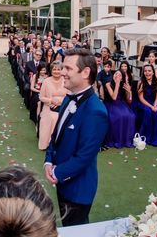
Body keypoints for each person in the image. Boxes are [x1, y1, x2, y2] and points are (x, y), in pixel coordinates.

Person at [44, 48, 109, 226]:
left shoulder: (96, 111)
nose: (62, 72)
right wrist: (48, 160)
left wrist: (57, 172)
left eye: (68, 68)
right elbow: (56, 135)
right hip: (62, 182)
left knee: (75, 234)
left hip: (78, 190)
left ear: (86, 72)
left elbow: (84, 157)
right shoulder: (68, 97)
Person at [103, 70, 136, 148]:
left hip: (121, 103)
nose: (117, 75)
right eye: (116, 74)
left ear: (122, 78)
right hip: (110, 104)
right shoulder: (108, 84)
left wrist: (129, 91)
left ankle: (126, 140)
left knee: (131, 116)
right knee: (119, 116)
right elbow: (114, 97)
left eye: (120, 75)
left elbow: (129, 100)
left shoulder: (123, 85)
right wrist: (117, 84)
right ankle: (116, 139)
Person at [38, 61, 67, 150]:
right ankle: (47, 144)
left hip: (63, 107)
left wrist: (59, 101)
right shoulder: (46, 81)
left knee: (59, 118)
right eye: (54, 69)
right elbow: (41, 97)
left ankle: (59, 145)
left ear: (62, 70)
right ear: (51, 70)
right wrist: (51, 101)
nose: (56, 71)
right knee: (50, 118)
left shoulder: (66, 80)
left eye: (58, 69)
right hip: (48, 107)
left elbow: (70, 96)